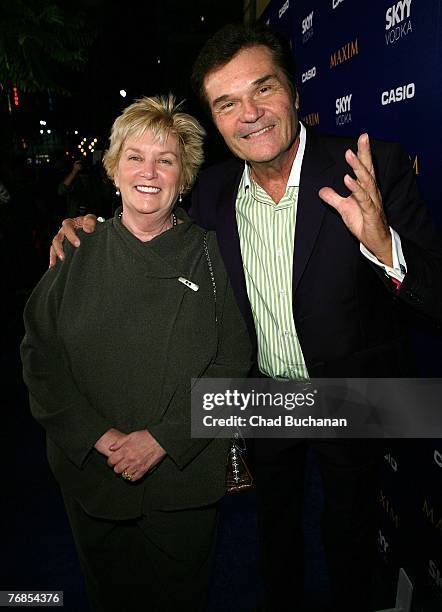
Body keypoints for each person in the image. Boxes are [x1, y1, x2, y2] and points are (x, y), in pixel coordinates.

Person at [48, 24, 442, 612]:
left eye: (263, 90)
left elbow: (435, 296)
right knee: (274, 525)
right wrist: (89, 226)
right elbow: (151, 210)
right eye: (227, 103)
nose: (250, 114)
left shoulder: (370, 166)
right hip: (258, 393)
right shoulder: (210, 190)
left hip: (355, 393)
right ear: (214, 117)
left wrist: (385, 248)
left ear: (296, 92)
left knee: (350, 530)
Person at [21, 94, 252, 612]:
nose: (149, 172)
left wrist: (163, 440)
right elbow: (40, 358)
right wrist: (98, 437)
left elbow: (234, 363)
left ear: (184, 176)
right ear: (113, 169)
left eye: (165, 160)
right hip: (92, 480)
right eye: (135, 157)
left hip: (183, 482)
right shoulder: (75, 252)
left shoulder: (214, 257)